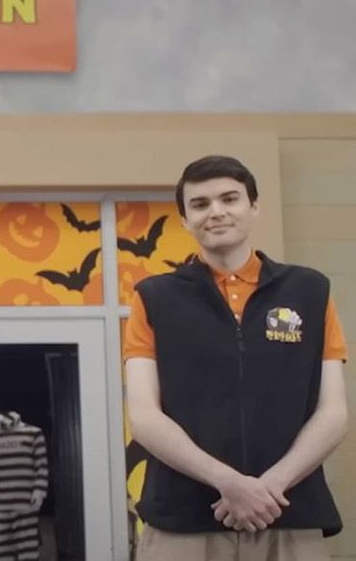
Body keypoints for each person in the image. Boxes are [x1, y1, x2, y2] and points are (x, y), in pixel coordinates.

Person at [125, 155, 348, 560]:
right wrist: (229, 483)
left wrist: (269, 488)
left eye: (230, 198)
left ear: (254, 207)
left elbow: (333, 412)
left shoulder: (310, 292)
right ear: (184, 220)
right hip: (183, 522)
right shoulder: (153, 298)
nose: (216, 212)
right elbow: (143, 417)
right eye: (200, 204)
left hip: (288, 514)